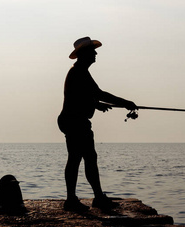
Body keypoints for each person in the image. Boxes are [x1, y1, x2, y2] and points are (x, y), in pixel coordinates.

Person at [58, 37, 137, 212]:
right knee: (80, 159)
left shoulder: (80, 71)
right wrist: (126, 102)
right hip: (75, 121)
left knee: (85, 158)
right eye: (92, 51)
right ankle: (83, 199)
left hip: (73, 120)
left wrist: (95, 104)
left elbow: (82, 96)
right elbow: (98, 93)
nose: (95, 53)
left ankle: (87, 197)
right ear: (84, 54)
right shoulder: (79, 71)